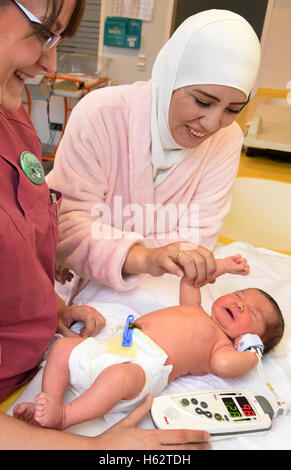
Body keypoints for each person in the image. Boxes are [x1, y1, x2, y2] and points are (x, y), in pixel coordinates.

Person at [0, 0, 210, 450]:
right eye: (43, 32)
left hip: (42, 361)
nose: (50, 61)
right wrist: (97, 450)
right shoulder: (105, 114)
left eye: (58, 39)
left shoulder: (14, 120)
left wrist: (53, 311)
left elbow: (32, 241)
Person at [46, 9, 261, 295]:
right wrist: (148, 256)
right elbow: (69, 229)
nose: (212, 124)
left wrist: (103, 244)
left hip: (162, 291)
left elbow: (196, 244)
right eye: (201, 101)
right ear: (170, 79)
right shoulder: (100, 114)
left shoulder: (227, 137)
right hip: (79, 288)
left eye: (233, 110)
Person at [14, 254, 284, 430]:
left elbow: (227, 365)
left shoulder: (221, 347)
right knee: (62, 347)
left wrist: (251, 353)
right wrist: (223, 266)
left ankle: (64, 416)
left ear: (250, 338)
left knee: (119, 377)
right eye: (239, 295)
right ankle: (46, 403)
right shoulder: (196, 310)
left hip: (143, 368)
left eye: (252, 312)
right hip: (113, 346)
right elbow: (191, 281)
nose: (239, 304)